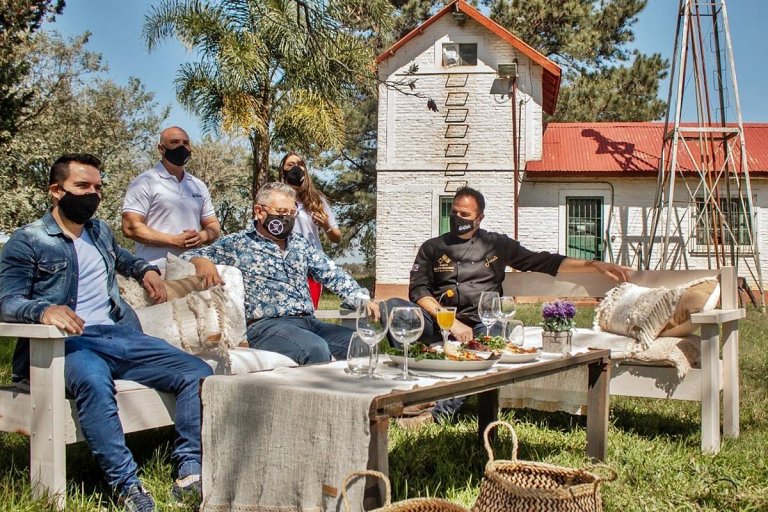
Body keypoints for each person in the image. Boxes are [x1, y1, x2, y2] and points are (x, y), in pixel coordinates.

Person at [0, 154, 213, 512]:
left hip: (116, 334)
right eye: (82, 186)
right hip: (64, 346)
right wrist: (44, 310)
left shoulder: (99, 231)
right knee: (95, 380)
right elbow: (5, 299)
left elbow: (121, 258)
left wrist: (144, 269)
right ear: (56, 190)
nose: (92, 194)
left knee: (197, 372)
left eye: (98, 187)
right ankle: (127, 485)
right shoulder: (29, 240)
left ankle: (189, 469)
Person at [387, 186, 630, 427]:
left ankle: (438, 414)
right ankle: (414, 392)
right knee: (393, 308)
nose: (457, 218)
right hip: (441, 320)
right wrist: (451, 322)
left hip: (484, 322)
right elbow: (418, 290)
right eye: (454, 212)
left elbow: (542, 260)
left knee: (487, 348)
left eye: (465, 215)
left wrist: (593, 263)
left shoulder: (496, 245)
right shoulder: (432, 247)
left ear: (479, 218)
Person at [182, 182, 369, 365]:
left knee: (362, 344)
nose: (287, 218)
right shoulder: (237, 243)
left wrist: (362, 299)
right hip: (267, 326)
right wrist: (201, 260)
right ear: (259, 212)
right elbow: (186, 255)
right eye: (280, 213)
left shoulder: (300, 244)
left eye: (291, 213)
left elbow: (332, 273)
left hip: (308, 322)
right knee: (315, 349)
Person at [122, 125, 221, 271]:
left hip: (192, 271)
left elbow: (213, 225)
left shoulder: (198, 185)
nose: (181, 147)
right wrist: (173, 241)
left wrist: (202, 236)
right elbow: (130, 227)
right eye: (174, 142)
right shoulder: (145, 182)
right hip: (155, 271)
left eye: (185, 143)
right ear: (161, 148)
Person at [278, 151, 342, 308]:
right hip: (284, 266)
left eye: (300, 164)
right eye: (290, 165)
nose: (296, 168)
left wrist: (326, 226)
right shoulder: (275, 198)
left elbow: (337, 237)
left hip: (312, 267)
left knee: (310, 311)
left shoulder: (316, 200)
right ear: (283, 171)